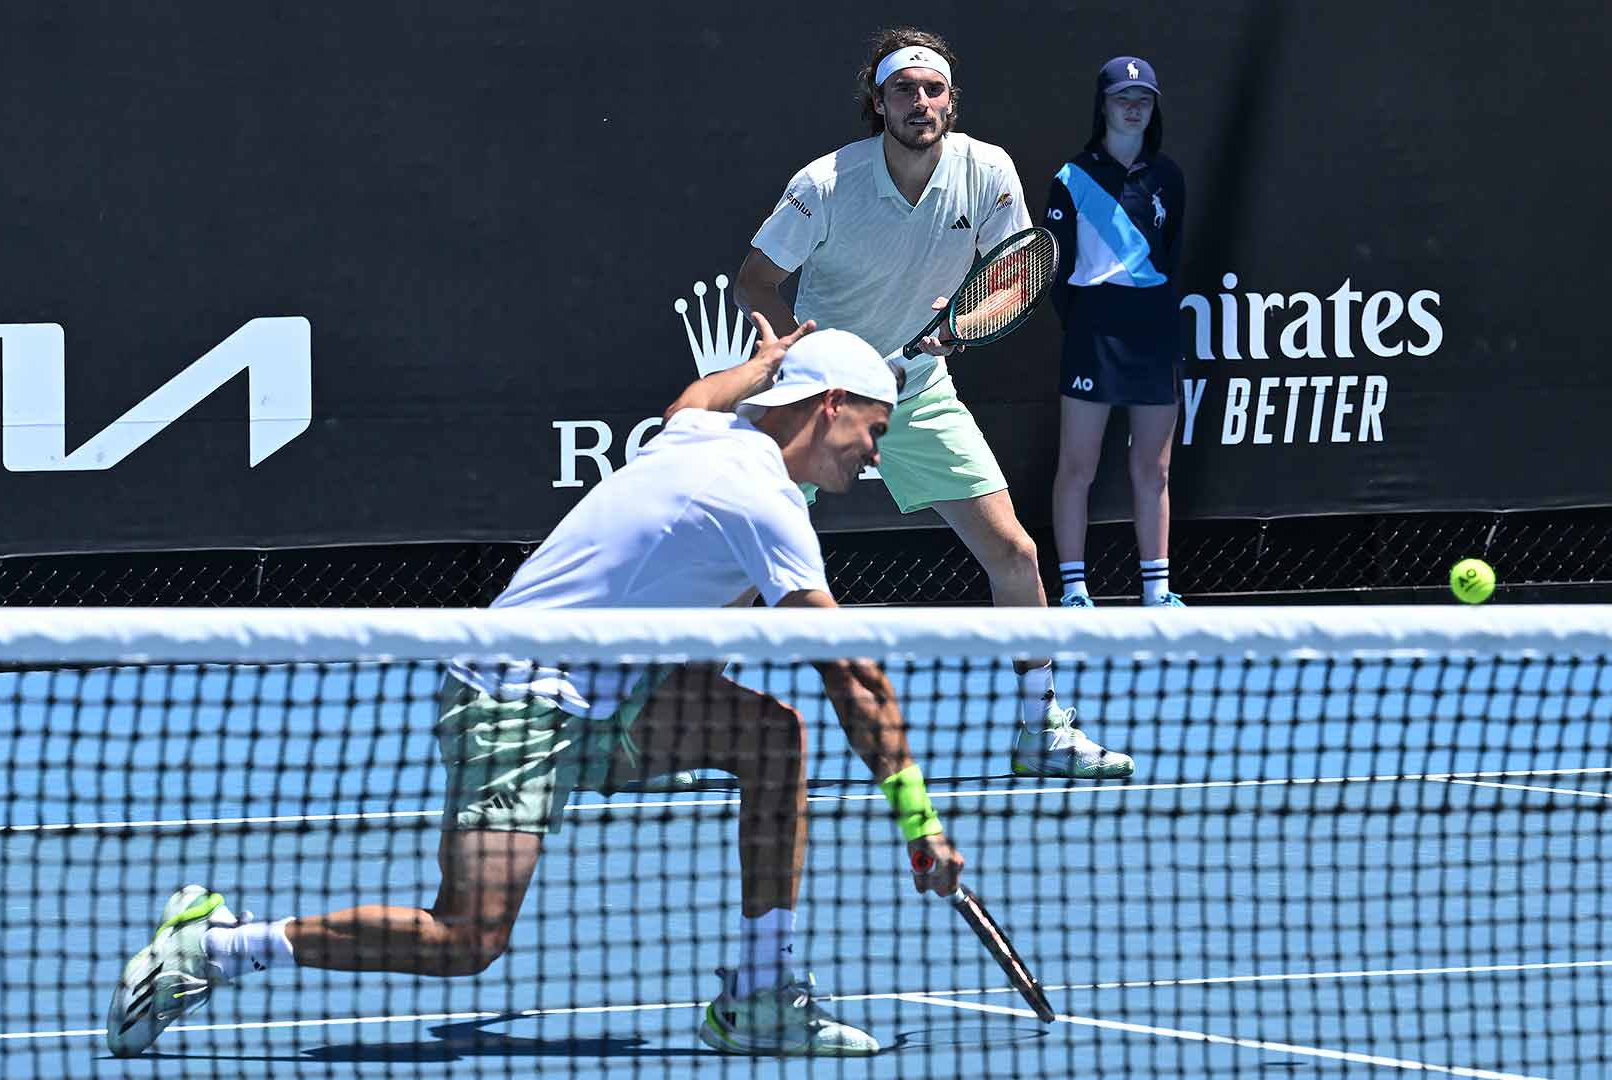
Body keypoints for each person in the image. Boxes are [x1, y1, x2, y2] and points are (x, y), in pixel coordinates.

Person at [103, 322, 965, 1059]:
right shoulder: (761, 499)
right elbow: (854, 674)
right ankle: (218, 947)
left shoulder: (707, 438)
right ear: (829, 407)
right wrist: (920, 823)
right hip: (517, 698)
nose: (875, 453)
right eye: (874, 429)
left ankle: (762, 996)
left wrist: (761, 364)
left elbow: (693, 399)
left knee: (771, 739)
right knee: (467, 939)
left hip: (609, 695)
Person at [734, 26, 1134, 780]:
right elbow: (754, 280)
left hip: (918, 393)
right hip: (816, 404)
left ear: (950, 101)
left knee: (1014, 553)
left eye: (934, 89)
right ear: (877, 102)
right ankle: (684, 710)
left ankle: (1040, 727)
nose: (921, 102)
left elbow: (1015, 276)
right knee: (745, 561)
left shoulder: (987, 171)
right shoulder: (825, 184)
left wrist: (959, 329)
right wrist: (813, 364)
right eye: (903, 90)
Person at [1042, 56, 1188, 610]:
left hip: (1153, 328)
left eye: (1143, 99)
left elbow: (1171, 254)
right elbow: (1051, 269)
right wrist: (1085, 319)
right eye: (1123, 98)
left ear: (1153, 109)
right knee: (1077, 465)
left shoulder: (1168, 177)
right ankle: (1076, 589)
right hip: (1094, 327)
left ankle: (1157, 590)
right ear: (1103, 105)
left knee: (1153, 467)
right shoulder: (1071, 178)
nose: (1133, 107)